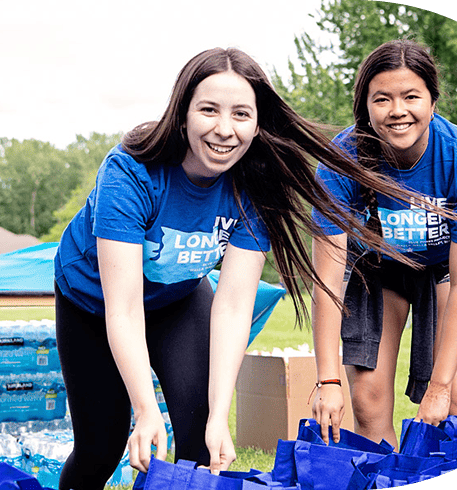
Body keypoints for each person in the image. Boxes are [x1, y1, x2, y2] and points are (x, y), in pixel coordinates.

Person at [53, 46, 425, 489]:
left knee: (199, 438)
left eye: (241, 115)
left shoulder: (254, 186)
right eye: (209, 110)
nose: (224, 130)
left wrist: (219, 415)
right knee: (102, 447)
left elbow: (231, 306)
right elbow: (126, 306)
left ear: (257, 123)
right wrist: (147, 410)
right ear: (183, 112)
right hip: (94, 303)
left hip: (178, 296)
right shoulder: (131, 170)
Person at [310, 39, 457, 448]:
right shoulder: (342, 161)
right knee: (368, 400)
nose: (397, 110)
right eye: (382, 99)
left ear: (432, 101)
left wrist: (440, 386)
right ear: (365, 106)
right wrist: (327, 379)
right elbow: (327, 282)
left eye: (411, 96)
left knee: (456, 395)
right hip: (378, 266)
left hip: (448, 266)